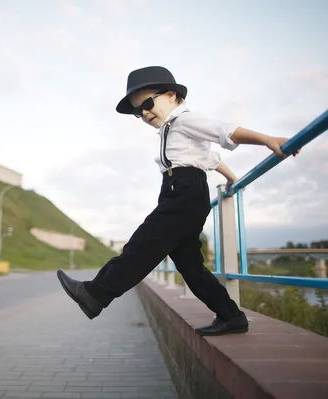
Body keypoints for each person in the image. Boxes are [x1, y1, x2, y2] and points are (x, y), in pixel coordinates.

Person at [57, 66, 299, 336]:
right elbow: (210, 158)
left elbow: (224, 131)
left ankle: (95, 294)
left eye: (147, 104)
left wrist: (267, 140)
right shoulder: (171, 130)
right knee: (189, 266)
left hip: (185, 192)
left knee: (144, 243)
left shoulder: (185, 120)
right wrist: (232, 179)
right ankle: (231, 315)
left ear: (171, 95)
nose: (144, 113)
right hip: (179, 190)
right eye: (138, 111)